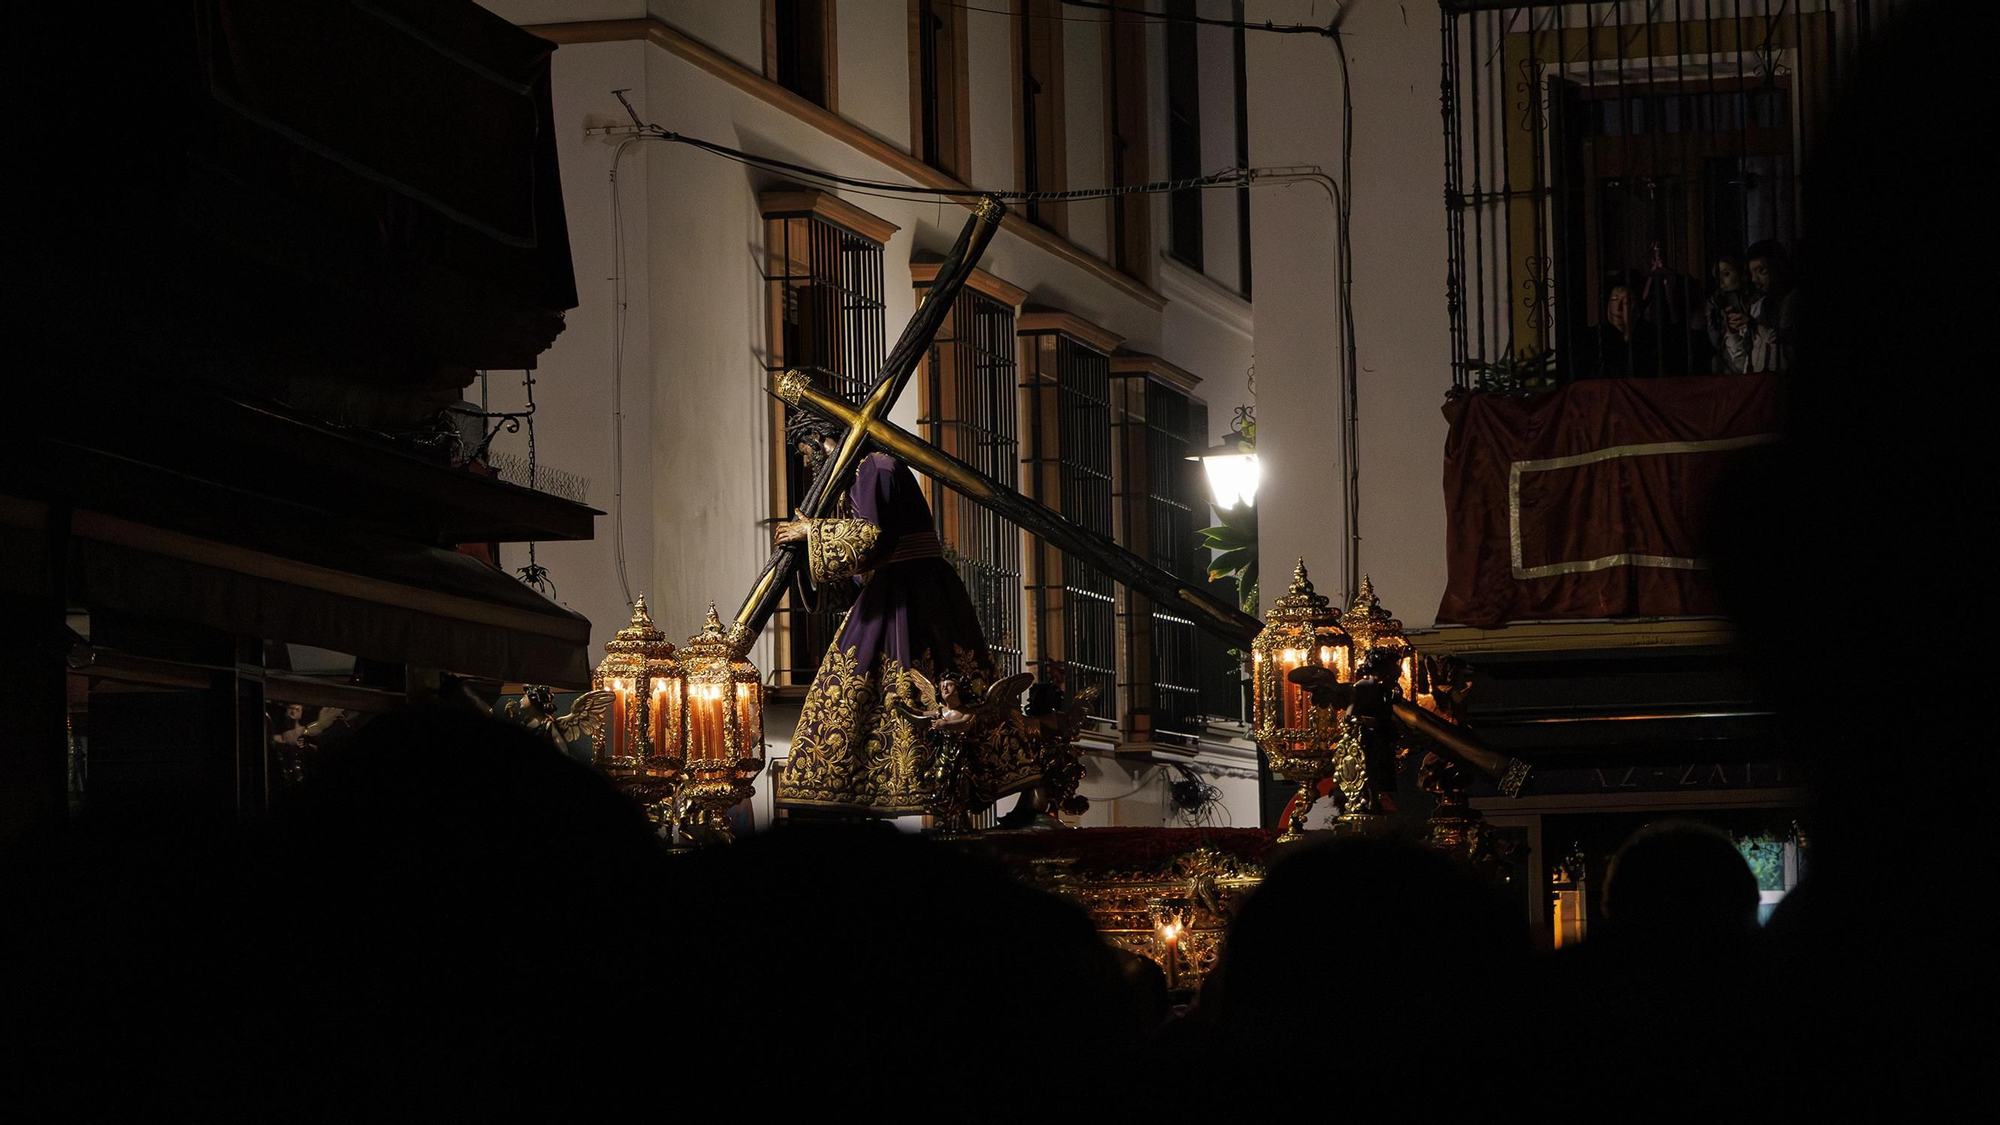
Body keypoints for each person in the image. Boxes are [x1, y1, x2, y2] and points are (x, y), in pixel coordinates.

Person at [772, 411, 1032, 816]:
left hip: (910, 592)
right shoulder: (861, 470)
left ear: (823, 438)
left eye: (806, 451)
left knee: (883, 690)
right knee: (854, 700)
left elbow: (873, 536)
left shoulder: (874, 465)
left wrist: (813, 533)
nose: (807, 464)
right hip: (899, 586)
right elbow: (862, 557)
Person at [1580, 272, 1661, 378]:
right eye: (1614, 299)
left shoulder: (1652, 337)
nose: (1618, 308)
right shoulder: (1594, 336)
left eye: (1626, 302)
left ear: (1637, 308)